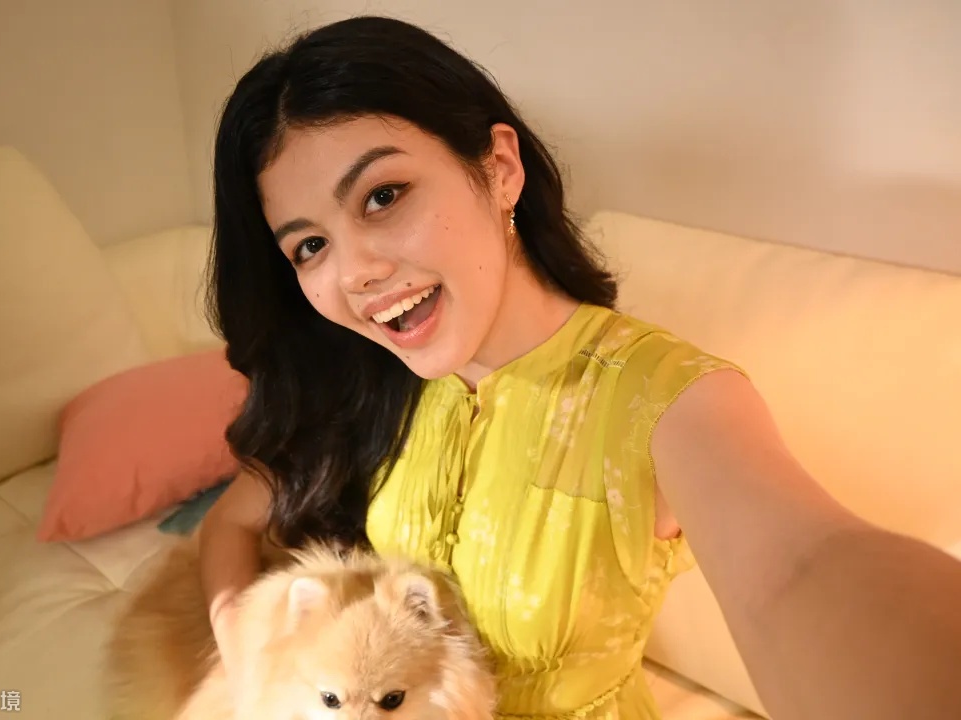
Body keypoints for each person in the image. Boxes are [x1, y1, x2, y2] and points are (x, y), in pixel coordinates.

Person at [195, 14, 961, 720]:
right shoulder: (372, 379)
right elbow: (230, 524)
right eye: (310, 246)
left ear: (500, 168)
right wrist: (254, 679)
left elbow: (800, 569)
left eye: (383, 195)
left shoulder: (661, 398)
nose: (355, 271)